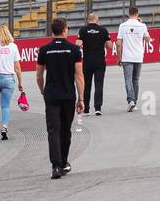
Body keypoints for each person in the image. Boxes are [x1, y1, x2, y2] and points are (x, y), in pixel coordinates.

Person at [36, 18, 85, 179]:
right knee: (65, 130)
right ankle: (64, 162)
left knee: (53, 130)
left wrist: (43, 90)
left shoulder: (44, 50)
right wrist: (81, 99)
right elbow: (79, 76)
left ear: (52, 31)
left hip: (51, 94)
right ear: (65, 30)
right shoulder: (74, 50)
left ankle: (56, 166)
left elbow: (39, 76)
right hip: (68, 95)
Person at [116, 7, 152, 112]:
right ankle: (134, 102)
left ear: (128, 14)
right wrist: (142, 25)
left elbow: (118, 43)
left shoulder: (122, 26)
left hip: (127, 56)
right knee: (135, 79)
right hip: (138, 56)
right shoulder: (142, 26)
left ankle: (131, 100)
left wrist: (119, 57)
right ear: (137, 14)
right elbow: (148, 39)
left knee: (128, 79)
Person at [76, 12, 111, 116]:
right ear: (97, 20)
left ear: (88, 20)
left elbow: (78, 44)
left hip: (87, 61)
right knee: (99, 84)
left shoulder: (83, 30)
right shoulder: (103, 30)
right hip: (99, 60)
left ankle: (86, 109)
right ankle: (98, 108)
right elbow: (109, 45)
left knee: (86, 85)